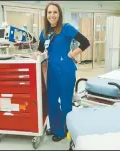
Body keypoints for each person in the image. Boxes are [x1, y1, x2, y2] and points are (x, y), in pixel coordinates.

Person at [35, 2, 90, 142]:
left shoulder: (66, 28)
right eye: (49, 12)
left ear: (59, 14)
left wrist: (73, 53)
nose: (52, 15)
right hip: (52, 72)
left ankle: (65, 130)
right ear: (46, 15)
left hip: (66, 71)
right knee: (52, 101)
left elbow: (85, 42)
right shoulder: (45, 32)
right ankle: (54, 127)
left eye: (55, 12)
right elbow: (40, 48)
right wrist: (36, 55)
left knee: (65, 102)